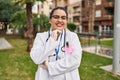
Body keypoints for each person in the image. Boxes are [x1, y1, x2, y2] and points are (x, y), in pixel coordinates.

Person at [30, 6, 82, 80]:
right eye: (56, 17)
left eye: (63, 18)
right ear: (50, 20)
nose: (60, 20)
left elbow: (75, 60)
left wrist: (49, 66)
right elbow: (36, 58)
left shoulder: (71, 37)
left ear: (66, 20)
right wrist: (52, 40)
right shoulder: (41, 37)